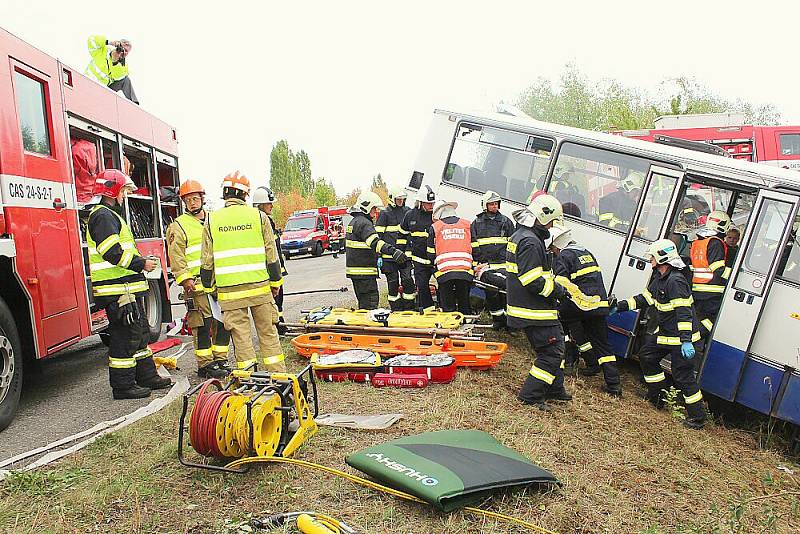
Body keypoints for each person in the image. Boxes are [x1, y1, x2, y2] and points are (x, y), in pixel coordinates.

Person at [86, 169, 172, 399]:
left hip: (126, 289)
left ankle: (146, 375)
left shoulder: (109, 215)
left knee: (140, 334)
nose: (125, 195)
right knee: (124, 338)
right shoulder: (103, 216)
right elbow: (111, 252)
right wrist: (141, 264)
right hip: (117, 290)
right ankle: (123, 386)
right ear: (113, 191)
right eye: (124, 190)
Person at [612, 239, 706, 429]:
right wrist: (619, 306)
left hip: (681, 338)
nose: (650, 261)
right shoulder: (660, 276)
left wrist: (686, 341)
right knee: (647, 356)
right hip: (666, 334)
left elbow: (684, 312)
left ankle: (698, 417)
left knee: (683, 376)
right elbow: (645, 298)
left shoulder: (676, 281)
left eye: (652, 257)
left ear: (662, 258)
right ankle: (657, 397)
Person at [200, 172, 286, 371]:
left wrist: (211, 289)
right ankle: (280, 380)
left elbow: (206, 263)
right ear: (245, 195)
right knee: (268, 335)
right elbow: (272, 257)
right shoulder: (259, 217)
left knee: (241, 339)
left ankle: (250, 383)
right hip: (260, 290)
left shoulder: (212, 220)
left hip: (230, 295)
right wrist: (275, 285)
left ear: (225, 194)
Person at [507, 194, 572, 411]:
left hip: (530, 309)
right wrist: (559, 290)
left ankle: (555, 388)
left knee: (557, 347)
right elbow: (532, 280)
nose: (553, 226)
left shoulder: (522, 236)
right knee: (552, 353)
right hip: (534, 311)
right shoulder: (530, 242)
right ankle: (531, 396)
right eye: (553, 221)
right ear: (544, 219)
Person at [167, 180, 231, 379]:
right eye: (188, 200)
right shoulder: (178, 226)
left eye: (195, 198)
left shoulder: (215, 220)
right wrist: (185, 280)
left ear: (202, 198)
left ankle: (220, 359)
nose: (192, 203)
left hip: (219, 283)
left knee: (223, 322)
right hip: (196, 285)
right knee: (202, 324)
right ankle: (205, 365)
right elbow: (176, 256)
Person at [549, 225, 621, 396]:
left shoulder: (564, 256)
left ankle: (567, 364)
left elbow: (562, 283)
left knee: (561, 326)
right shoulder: (586, 252)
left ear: (557, 245)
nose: (553, 252)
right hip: (599, 304)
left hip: (581, 304)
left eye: (552, 249)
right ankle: (614, 385)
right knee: (603, 345)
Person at [345, 191, 407, 309]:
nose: (375, 212)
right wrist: (393, 251)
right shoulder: (364, 223)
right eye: (374, 209)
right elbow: (376, 243)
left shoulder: (353, 222)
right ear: (366, 208)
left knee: (363, 305)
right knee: (370, 304)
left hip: (356, 273)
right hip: (365, 273)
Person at [470, 190, 515, 329]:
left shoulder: (506, 222)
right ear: (485, 205)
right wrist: (477, 265)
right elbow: (474, 245)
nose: (494, 206)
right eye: (492, 204)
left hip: (503, 265)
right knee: (491, 292)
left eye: (496, 204)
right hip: (486, 266)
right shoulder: (476, 223)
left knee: (507, 293)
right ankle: (498, 319)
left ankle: (510, 323)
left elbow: (512, 245)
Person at [690, 211, 732, 341]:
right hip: (712, 291)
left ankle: (689, 339)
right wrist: (735, 276)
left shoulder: (698, 242)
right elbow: (717, 268)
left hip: (698, 289)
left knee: (702, 318)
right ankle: (691, 340)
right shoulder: (716, 242)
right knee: (713, 323)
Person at [252, 186, 288, 332]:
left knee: (279, 299)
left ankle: (280, 324)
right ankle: (277, 327)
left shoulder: (268, 221)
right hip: (268, 271)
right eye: (269, 203)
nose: (271, 206)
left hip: (275, 269)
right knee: (273, 300)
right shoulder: (259, 221)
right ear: (260, 205)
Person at [427, 199, 473, 314]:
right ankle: (466, 324)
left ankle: (449, 327)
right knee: (464, 302)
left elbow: (430, 252)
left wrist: (433, 267)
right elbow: (475, 248)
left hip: (444, 272)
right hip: (465, 271)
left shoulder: (435, 227)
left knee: (447, 304)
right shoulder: (467, 225)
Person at [376, 186, 416, 310]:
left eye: (402, 199)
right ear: (392, 199)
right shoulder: (385, 214)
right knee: (392, 284)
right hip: (389, 258)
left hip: (405, 256)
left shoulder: (408, 211)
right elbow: (378, 237)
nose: (400, 201)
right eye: (398, 199)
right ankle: (396, 309)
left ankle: (409, 309)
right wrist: (378, 256)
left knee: (408, 281)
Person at [400, 185, 436, 311]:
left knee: (443, 285)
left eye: (432, 203)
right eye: (428, 203)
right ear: (420, 202)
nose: (431, 206)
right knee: (422, 286)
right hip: (419, 260)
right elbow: (402, 236)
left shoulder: (437, 215)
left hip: (435, 260)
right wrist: (402, 255)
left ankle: (444, 309)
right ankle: (428, 310)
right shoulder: (410, 216)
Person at [86, 35, 138, 104]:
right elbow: (91, 40)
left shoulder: (124, 65)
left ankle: (134, 104)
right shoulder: (103, 51)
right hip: (88, 81)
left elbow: (117, 77)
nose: (124, 52)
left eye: (127, 51)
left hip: (103, 88)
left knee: (126, 80)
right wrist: (110, 42)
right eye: (123, 49)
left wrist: (115, 61)